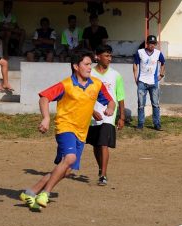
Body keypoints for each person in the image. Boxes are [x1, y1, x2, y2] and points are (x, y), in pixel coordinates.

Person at [19, 52, 115, 209]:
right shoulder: (65, 85)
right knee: (69, 159)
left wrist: (110, 109)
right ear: (76, 66)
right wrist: (46, 118)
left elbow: (110, 101)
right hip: (65, 127)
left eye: (91, 64)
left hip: (82, 133)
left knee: (66, 170)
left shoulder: (96, 84)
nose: (90, 68)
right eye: (86, 64)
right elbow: (44, 98)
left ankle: (30, 192)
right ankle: (46, 193)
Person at [86, 44, 125, 186]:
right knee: (96, 145)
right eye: (107, 55)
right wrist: (91, 111)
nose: (110, 58)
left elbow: (120, 97)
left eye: (110, 55)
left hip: (109, 115)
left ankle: (103, 175)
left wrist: (121, 117)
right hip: (92, 115)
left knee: (103, 143)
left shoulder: (116, 75)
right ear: (97, 56)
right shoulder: (90, 74)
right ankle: (101, 168)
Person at [133, 35, 165, 131]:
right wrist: (135, 78)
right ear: (147, 43)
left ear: (155, 44)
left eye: (154, 43)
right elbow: (135, 64)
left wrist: (161, 75)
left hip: (153, 82)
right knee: (141, 104)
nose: (152, 45)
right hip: (142, 81)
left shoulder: (158, 53)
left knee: (155, 104)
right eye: (150, 43)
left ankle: (157, 124)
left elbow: (163, 63)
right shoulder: (140, 52)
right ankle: (140, 124)